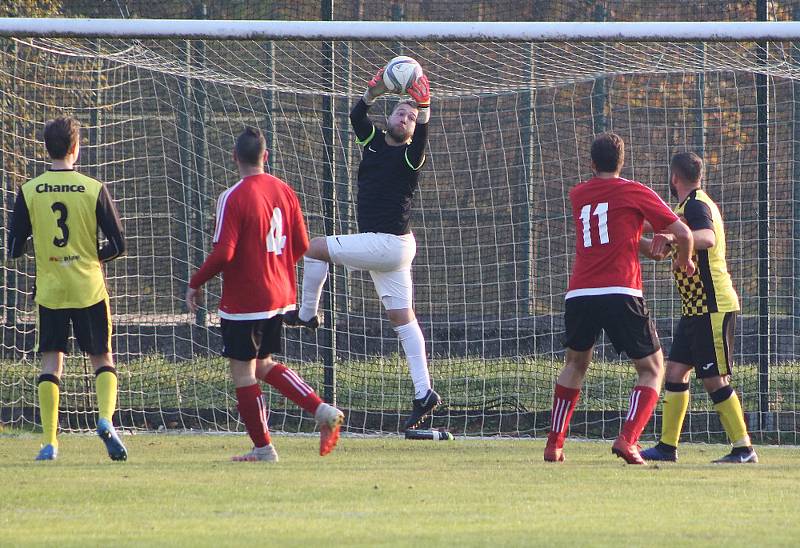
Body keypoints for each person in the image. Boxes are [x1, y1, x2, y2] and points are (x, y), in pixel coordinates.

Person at [283, 65, 439, 431]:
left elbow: (425, 127)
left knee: (313, 247)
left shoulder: (410, 156)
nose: (406, 118)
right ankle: (424, 392)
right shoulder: (371, 141)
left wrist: (425, 103)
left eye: (412, 117)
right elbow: (356, 113)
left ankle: (306, 314)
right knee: (403, 320)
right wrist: (374, 89)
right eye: (402, 112)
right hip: (393, 248)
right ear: (389, 116)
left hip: (388, 243)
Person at [186, 127, 344, 462]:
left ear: (234, 157)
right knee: (263, 365)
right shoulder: (285, 190)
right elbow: (301, 245)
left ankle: (263, 448)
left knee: (243, 372)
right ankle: (322, 409)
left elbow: (225, 252)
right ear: (265, 156)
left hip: (246, 302)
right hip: (281, 297)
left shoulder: (233, 196)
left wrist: (196, 281)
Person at [544, 132, 695, 464]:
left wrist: (649, 247)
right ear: (622, 161)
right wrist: (683, 260)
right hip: (620, 291)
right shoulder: (633, 191)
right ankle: (628, 440)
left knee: (574, 364)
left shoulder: (579, 195)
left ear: (591, 163)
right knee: (653, 368)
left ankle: (554, 444)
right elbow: (684, 234)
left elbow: (615, 235)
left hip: (580, 292)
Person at [7, 116, 127, 461]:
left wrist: (46, 251)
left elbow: (14, 248)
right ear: (76, 148)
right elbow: (119, 244)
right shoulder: (93, 188)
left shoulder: (30, 191)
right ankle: (105, 419)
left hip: (51, 289)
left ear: (47, 149)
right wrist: (93, 257)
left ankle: (49, 442)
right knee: (102, 357)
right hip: (88, 286)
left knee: (50, 362)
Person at [639, 152, 757, 464]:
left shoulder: (696, 205)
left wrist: (677, 239)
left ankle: (744, 449)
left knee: (714, 379)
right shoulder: (683, 207)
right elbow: (662, 232)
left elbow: (706, 237)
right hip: (694, 309)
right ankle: (667, 447)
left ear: (674, 177)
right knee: (676, 373)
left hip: (713, 306)